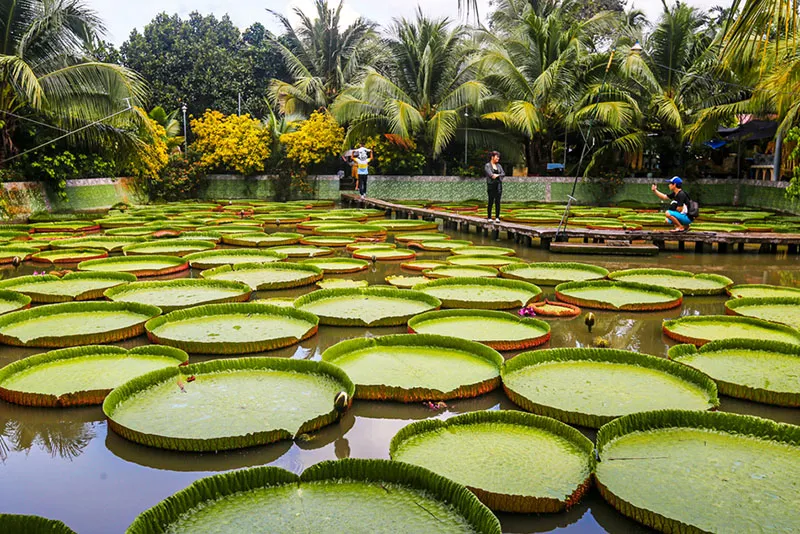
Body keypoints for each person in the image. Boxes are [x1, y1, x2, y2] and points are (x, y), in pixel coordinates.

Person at [484, 151, 505, 222]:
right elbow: (491, 175)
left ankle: (497, 217)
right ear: (492, 157)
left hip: (499, 185)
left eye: (498, 157)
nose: (498, 158)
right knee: (490, 201)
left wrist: (497, 175)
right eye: (497, 157)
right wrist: (495, 175)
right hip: (491, 185)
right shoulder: (487, 165)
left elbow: (503, 174)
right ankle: (489, 217)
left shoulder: (499, 166)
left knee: (498, 201)